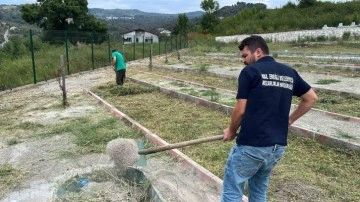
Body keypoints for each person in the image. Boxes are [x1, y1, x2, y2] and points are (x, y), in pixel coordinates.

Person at [221, 35, 318, 202]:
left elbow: (241, 109)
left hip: (252, 146)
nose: (243, 61)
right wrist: (290, 120)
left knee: (232, 191)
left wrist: (231, 130)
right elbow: (311, 98)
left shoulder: (250, 72)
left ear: (258, 52)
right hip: (276, 148)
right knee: (258, 192)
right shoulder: (289, 72)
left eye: (245, 56)